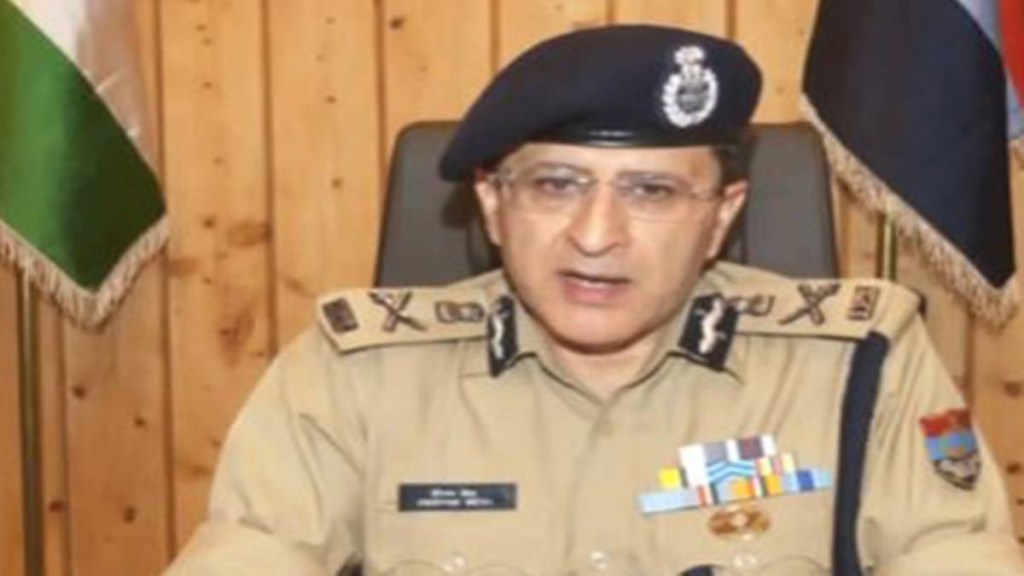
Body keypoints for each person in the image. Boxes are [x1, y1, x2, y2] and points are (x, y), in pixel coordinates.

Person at [164, 25, 1024, 576]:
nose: (597, 235)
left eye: (652, 191)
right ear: (493, 203)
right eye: (557, 184)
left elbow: (954, 555)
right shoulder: (356, 372)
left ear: (721, 215)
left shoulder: (858, 364)